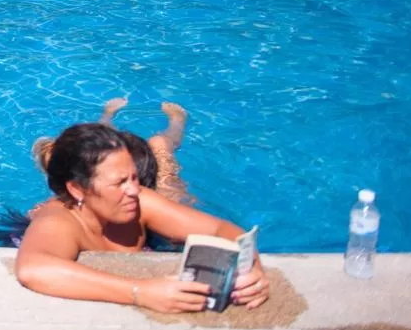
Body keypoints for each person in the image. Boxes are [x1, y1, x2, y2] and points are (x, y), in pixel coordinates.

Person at [14, 123, 270, 313]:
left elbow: (220, 228)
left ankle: (163, 141)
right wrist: (141, 292)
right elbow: (33, 269)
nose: (134, 190)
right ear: (77, 190)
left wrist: (249, 269)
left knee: (169, 184)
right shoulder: (59, 221)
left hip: (137, 228)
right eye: (120, 182)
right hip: (32, 230)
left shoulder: (141, 201)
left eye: (134, 177)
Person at [33, 98, 189, 204]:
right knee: (159, 144)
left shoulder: (161, 196)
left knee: (159, 147)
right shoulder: (61, 205)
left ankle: (177, 121)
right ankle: (107, 117)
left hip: (150, 185)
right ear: (74, 187)